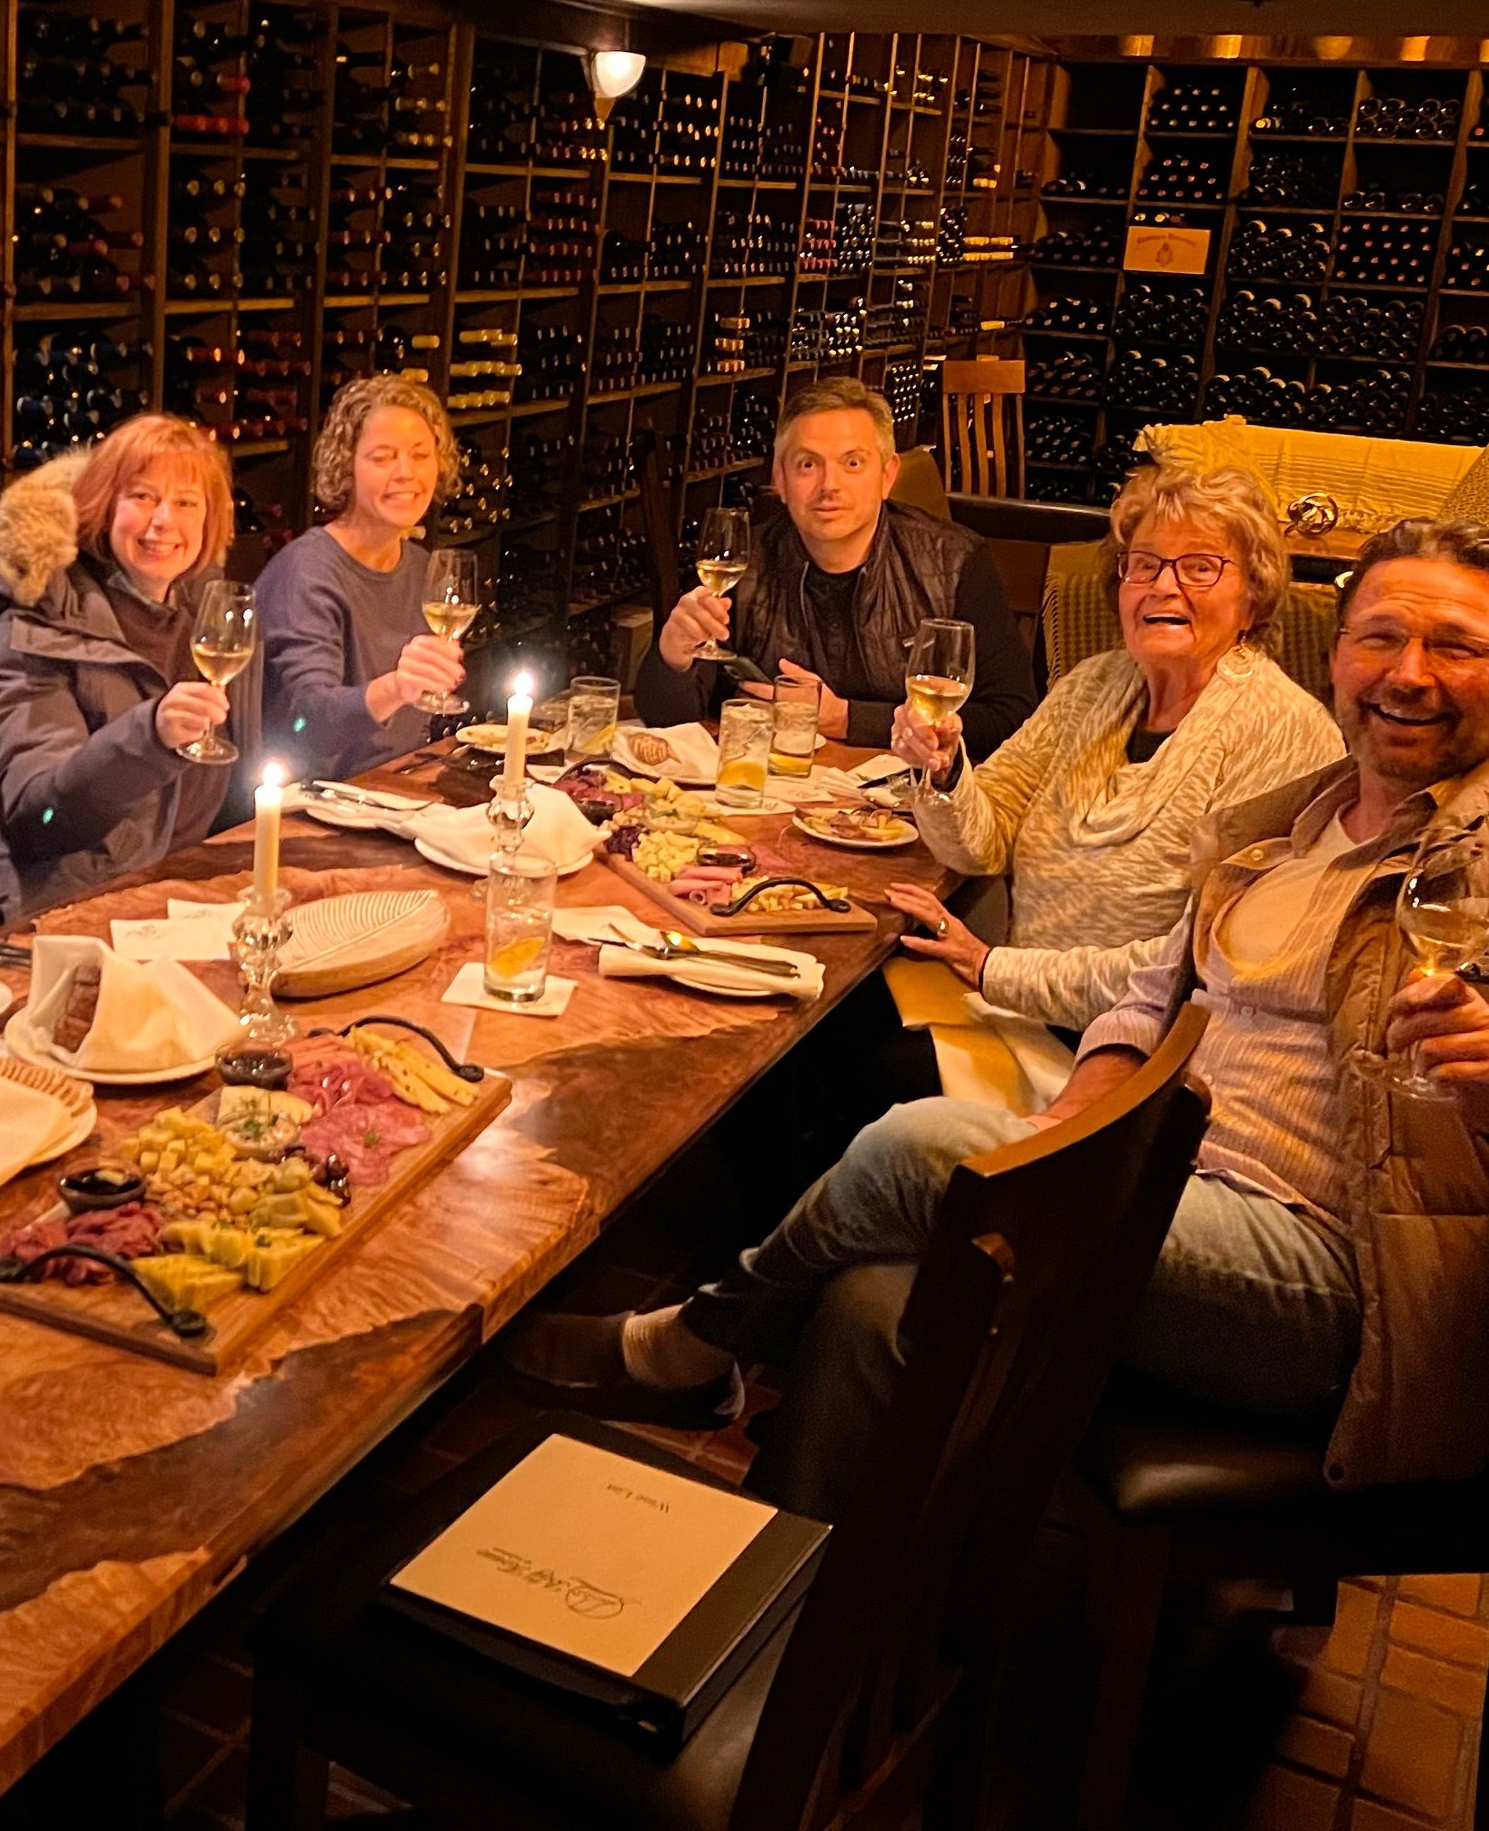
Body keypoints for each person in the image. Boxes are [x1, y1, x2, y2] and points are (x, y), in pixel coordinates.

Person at [511, 518, 1489, 1521]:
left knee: (912, 1140)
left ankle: (684, 1344)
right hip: (1162, 1167)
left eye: (1455, 645)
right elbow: (1156, 985)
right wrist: (1076, 1122)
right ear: (1335, 652)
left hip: (1323, 1269)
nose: (1408, 673)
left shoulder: (1471, 851)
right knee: (866, 1308)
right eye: (1380, 637)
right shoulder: (1302, 816)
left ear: (1254, 606)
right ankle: (798, 1629)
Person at [880, 462, 1342, 1055]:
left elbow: (1203, 961)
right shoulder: (1093, 686)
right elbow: (983, 837)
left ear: (1253, 599)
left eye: (1200, 567)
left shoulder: (1286, 732)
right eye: (1143, 564)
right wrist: (944, 771)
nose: (1163, 586)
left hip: (1127, 1055)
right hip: (1017, 1013)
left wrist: (994, 967)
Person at [634, 375, 1038, 758]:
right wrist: (673, 660)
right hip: (765, 792)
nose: (829, 484)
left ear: (887, 475)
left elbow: (1011, 715)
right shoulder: (743, 564)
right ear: (781, 479)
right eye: (808, 465)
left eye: (853, 463)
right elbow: (669, 723)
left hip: (899, 808)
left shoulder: (954, 561)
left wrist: (848, 718)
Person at [0, 414, 262, 918]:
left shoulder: (215, 623)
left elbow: (240, 784)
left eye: (186, 502)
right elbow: (40, 820)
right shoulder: (34, 632)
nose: (163, 521)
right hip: (62, 909)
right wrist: (149, 737)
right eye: (142, 496)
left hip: (178, 894)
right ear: (103, 505)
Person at [254, 375, 467, 779]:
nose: (406, 473)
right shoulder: (307, 572)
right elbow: (307, 723)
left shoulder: (423, 567)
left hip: (394, 787)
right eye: (383, 457)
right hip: (311, 807)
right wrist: (397, 687)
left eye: (421, 455)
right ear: (345, 467)